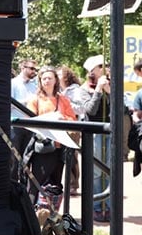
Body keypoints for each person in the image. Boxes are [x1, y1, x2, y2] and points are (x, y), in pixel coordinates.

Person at [25, 66, 77, 206]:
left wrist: (62, 118)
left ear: (56, 80)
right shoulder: (35, 100)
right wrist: (49, 118)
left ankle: (51, 217)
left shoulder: (63, 100)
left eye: (50, 78)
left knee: (55, 184)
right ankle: (31, 215)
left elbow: (73, 120)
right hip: (43, 147)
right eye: (44, 78)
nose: (47, 81)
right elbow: (30, 121)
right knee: (36, 183)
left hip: (60, 147)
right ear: (40, 81)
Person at [77, 54, 111, 222]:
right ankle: (97, 207)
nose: (108, 68)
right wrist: (98, 90)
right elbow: (90, 110)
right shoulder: (83, 89)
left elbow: (121, 110)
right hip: (95, 134)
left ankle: (109, 207)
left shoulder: (111, 86)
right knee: (97, 171)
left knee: (111, 170)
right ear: (94, 71)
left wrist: (111, 94)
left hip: (109, 132)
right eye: (103, 66)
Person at [57, 65, 84, 196]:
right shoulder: (60, 90)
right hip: (60, 126)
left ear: (66, 76)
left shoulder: (75, 90)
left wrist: (66, 103)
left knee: (72, 156)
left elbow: (81, 108)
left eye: (59, 75)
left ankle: (73, 184)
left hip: (72, 126)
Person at [10, 59, 39, 181]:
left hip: (31, 126)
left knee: (27, 159)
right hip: (16, 125)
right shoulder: (13, 83)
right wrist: (27, 102)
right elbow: (9, 104)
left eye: (35, 69)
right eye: (31, 68)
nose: (34, 72)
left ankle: (24, 187)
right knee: (14, 159)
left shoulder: (35, 85)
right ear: (23, 68)